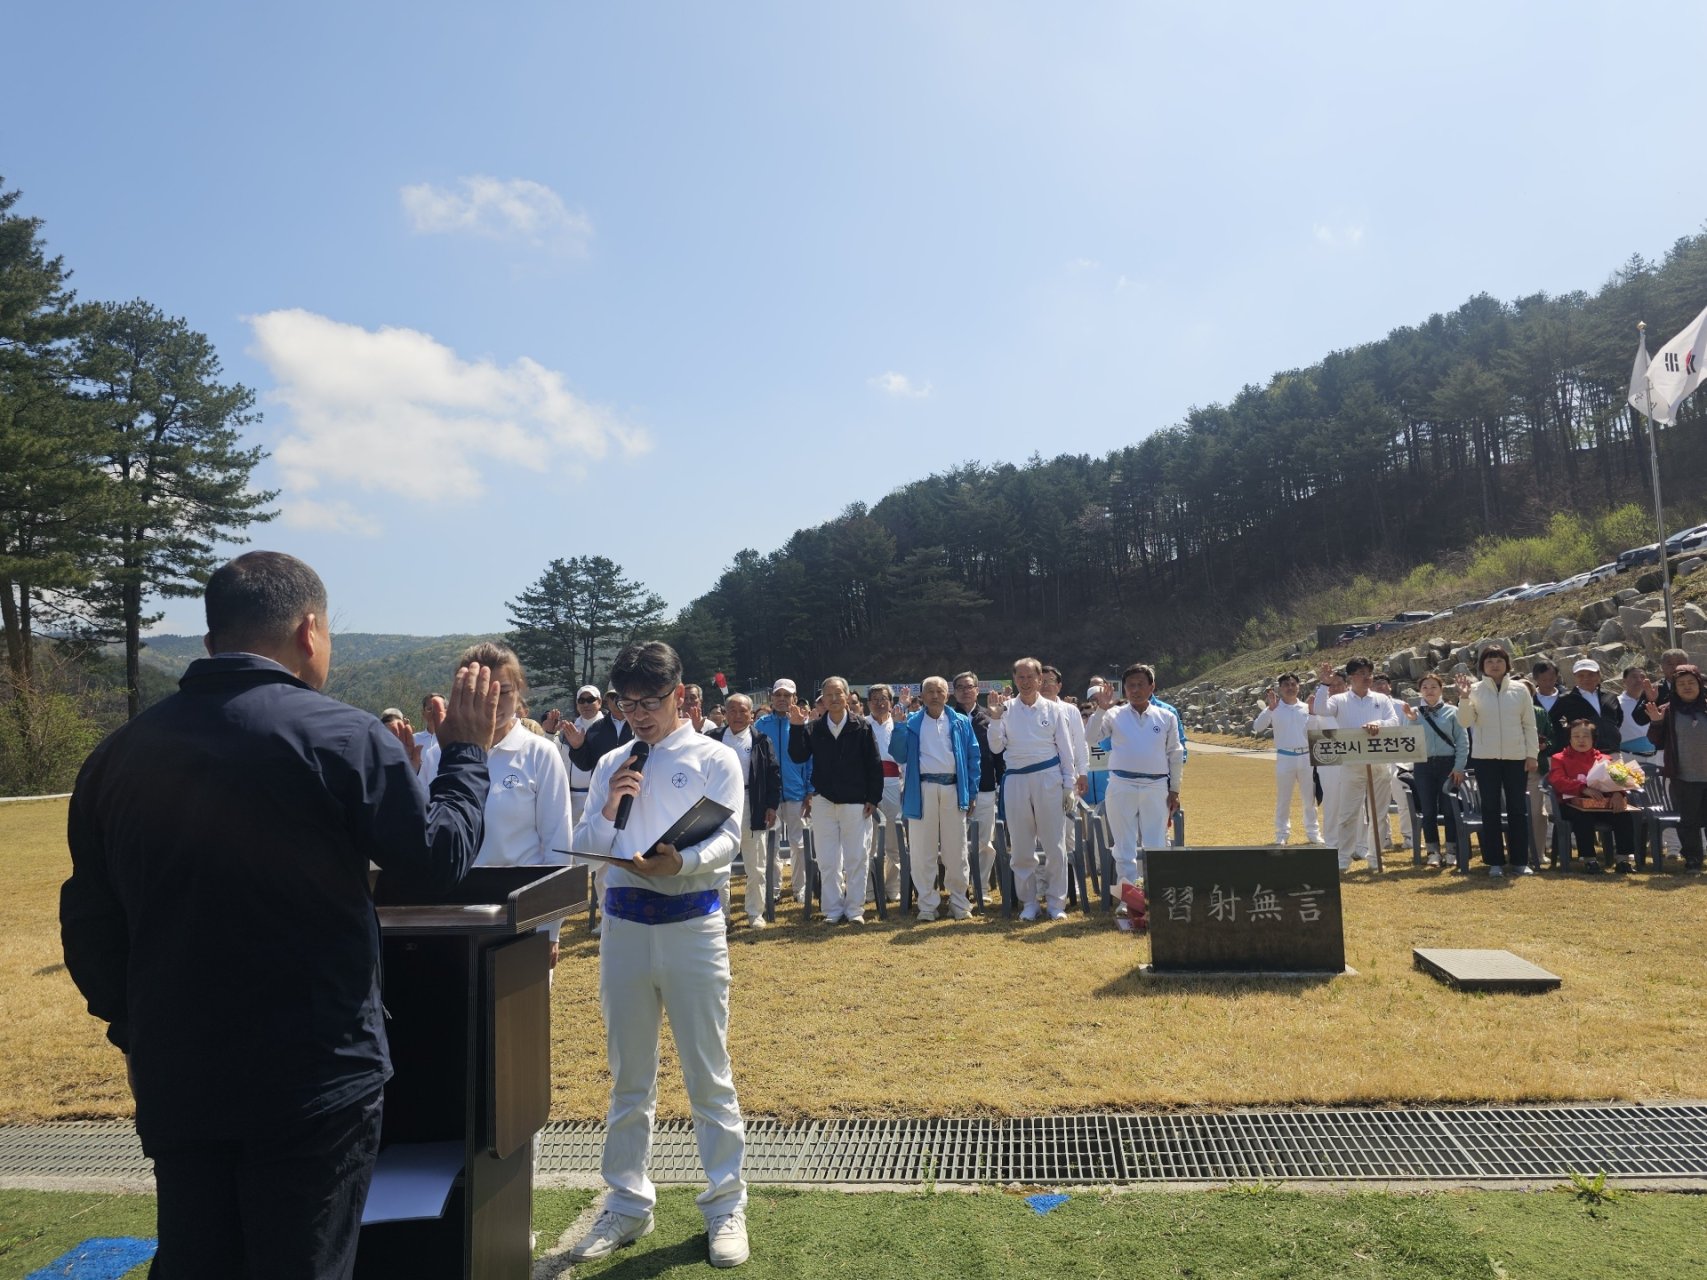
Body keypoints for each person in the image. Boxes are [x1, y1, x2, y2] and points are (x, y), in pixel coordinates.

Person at [60, 551, 499, 1279]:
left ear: (210, 641)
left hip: (178, 1071)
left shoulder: (118, 756)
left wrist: (136, 1027)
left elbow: (88, 926)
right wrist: (464, 758)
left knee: (198, 1259)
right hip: (313, 1072)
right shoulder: (341, 737)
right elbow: (435, 861)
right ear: (309, 631)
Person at [567, 641, 750, 1268]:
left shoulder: (714, 757)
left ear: (680, 694)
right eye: (627, 703)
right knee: (629, 1076)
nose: (638, 714)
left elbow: (729, 836)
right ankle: (626, 1203)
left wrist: (684, 861)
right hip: (623, 927)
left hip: (692, 925)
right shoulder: (610, 762)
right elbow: (585, 846)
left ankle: (725, 1203)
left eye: (650, 701)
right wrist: (610, 805)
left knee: (708, 1072)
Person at [986, 657, 1085, 920]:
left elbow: (1066, 750)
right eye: (1021, 677)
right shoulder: (1005, 709)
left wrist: (1068, 784)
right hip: (1016, 779)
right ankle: (1028, 903)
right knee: (1021, 847)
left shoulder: (1054, 710)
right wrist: (994, 719)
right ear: (1014, 679)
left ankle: (1056, 903)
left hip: (1048, 778)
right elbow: (996, 747)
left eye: (1031, 677)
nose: (1026, 682)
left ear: (1040, 679)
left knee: (1054, 845)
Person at [1087, 665, 1184, 918]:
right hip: (1121, 784)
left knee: (1156, 844)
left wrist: (1174, 789)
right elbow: (1091, 737)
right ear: (1124, 689)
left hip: (1156, 785)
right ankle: (1130, 900)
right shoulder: (1113, 714)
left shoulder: (1166, 716)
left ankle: (1155, 897)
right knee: (1124, 846)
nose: (1136, 689)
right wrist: (1101, 709)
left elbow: (1175, 753)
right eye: (1131, 685)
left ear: (1152, 687)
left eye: (1141, 684)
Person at [786, 677, 884, 924]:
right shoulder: (814, 728)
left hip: (856, 801)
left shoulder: (861, 726)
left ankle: (855, 909)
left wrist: (873, 797)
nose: (833, 698)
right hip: (824, 801)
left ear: (847, 696)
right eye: (828, 695)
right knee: (828, 860)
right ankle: (832, 909)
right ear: (823, 699)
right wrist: (796, 727)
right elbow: (798, 756)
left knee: (856, 858)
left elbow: (874, 764)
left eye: (838, 693)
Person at [887, 676, 981, 920]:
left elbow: (973, 757)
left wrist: (971, 792)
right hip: (922, 789)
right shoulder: (911, 722)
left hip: (953, 789)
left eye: (940, 691)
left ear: (947, 695)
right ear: (922, 695)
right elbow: (898, 754)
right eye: (930, 691)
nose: (935, 696)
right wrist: (898, 726)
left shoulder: (960, 722)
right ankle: (927, 905)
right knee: (922, 851)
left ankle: (959, 903)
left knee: (956, 850)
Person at [1454, 644, 1540, 876]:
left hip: (1516, 757)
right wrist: (1464, 697)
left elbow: (1529, 725)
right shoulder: (1474, 690)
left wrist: (1532, 754)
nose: (1494, 665)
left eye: (1499, 660)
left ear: (1507, 664)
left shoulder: (1520, 690)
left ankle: (1520, 861)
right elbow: (1464, 722)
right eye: (1489, 661)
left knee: (1517, 808)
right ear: (1482, 665)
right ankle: (1494, 862)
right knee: (1490, 808)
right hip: (1485, 758)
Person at [1311, 656, 1401, 873]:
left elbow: (1394, 721)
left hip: (1379, 762)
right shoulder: (1340, 699)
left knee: (1379, 813)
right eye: (1361, 673)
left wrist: (1378, 723)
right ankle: (1343, 858)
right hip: (1351, 764)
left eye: (1369, 673)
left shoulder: (1381, 699)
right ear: (1351, 677)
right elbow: (1321, 709)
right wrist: (1324, 684)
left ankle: (1375, 857)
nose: (1367, 677)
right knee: (1348, 814)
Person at [708, 693, 781, 929]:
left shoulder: (761, 740)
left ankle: (755, 913)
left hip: (753, 803)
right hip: (719, 805)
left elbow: (773, 775)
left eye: (743, 711)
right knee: (719, 864)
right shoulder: (712, 739)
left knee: (756, 864)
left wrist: (771, 806)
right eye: (732, 710)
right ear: (725, 713)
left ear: (751, 715)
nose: (737, 716)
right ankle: (721, 914)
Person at [1549, 718, 1641, 873]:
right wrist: (1583, 789)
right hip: (1571, 805)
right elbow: (1558, 780)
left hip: (1601, 805)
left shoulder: (1605, 759)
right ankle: (1589, 860)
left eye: (1586, 736)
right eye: (1576, 736)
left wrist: (1618, 793)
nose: (1581, 740)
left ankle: (1623, 860)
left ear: (1593, 739)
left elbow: (1617, 781)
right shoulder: (1558, 758)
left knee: (1623, 815)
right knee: (1583, 817)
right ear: (1569, 739)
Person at [1400, 673, 1468, 869]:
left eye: (1433, 687)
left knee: (1449, 808)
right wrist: (1413, 720)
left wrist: (1459, 767)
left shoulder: (1453, 711)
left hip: (1448, 764)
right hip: (1423, 764)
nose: (1429, 691)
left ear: (1441, 689)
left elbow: (1462, 741)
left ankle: (1452, 851)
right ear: (1419, 691)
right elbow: (1408, 741)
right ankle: (1433, 852)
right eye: (1425, 687)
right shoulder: (1414, 712)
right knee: (1428, 809)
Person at [754, 679, 813, 903]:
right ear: (771, 698)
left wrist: (810, 790)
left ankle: (800, 888)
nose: (782, 699)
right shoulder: (760, 725)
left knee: (800, 844)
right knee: (771, 844)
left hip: (797, 793)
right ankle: (773, 889)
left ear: (794, 698)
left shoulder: (802, 724)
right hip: (770, 796)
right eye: (778, 695)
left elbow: (810, 760)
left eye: (787, 695)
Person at [1644, 663, 1707, 872]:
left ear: (1699, 685)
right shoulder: (1667, 711)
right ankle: (1693, 859)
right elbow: (1655, 741)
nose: (1687, 687)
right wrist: (1656, 722)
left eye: (1691, 682)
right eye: (1681, 684)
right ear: (1675, 688)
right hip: (1684, 777)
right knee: (1688, 821)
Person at [952, 671, 1004, 896]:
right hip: (953, 789)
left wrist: (1002, 782)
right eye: (960, 687)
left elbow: (999, 754)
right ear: (954, 692)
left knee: (984, 842)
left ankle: (980, 888)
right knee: (956, 842)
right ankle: (959, 888)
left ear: (977, 689)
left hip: (985, 787)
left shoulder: (989, 717)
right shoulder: (947, 718)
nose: (965, 691)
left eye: (969, 686)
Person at [1253, 673, 1320, 845]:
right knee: (1284, 799)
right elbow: (1258, 727)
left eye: (1293, 684)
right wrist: (1270, 709)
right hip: (1285, 756)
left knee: (1309, 798)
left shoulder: (1306, 707)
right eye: (1286, 685)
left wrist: (1313, 713)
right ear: (1280, 688)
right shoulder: (1275, 708)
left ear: (1298, 686)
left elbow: (1314, 731)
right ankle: (1282, 833)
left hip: (1306, 756)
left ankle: (1313, 832)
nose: (1290, 688)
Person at [543, 684, 609, 826]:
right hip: (570, 798)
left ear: (599, 702)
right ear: (577, 705)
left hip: (600, 798)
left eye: (590, 700)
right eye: (581, 700)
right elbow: (551, 755)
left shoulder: (609, 728)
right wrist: (549, 733)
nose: (586, 704)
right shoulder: (569, 729)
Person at [865, 683, 906, 904]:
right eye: (875, 699)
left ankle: (893, 887)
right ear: (868, 703)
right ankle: (869, 889)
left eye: (884, 699)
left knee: (894, 839)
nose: (879, 703)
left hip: (892, 783)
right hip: (867, 785)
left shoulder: (899, 724)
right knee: (868, 841)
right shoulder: (862, 725)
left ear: (891, 702)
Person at [1547, 659, 1626, 756]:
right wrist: (1569, 737)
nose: (1586, 678)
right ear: (1575, 677)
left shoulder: (1610, 696)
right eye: (1581, 675)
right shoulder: (1566, 699)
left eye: (1591, 674)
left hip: (1614, 751)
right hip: (1583, 755)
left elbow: (1618, 719)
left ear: (1598, 675)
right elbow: (1551, 721)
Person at [1618, 665, 1661, 762]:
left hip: (1655, 756)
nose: (1638, 680)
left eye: (1642, 677)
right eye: (1634, 676)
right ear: (1624, 681)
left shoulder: (1653, 700)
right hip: (1627, 756)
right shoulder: (1616, 703)